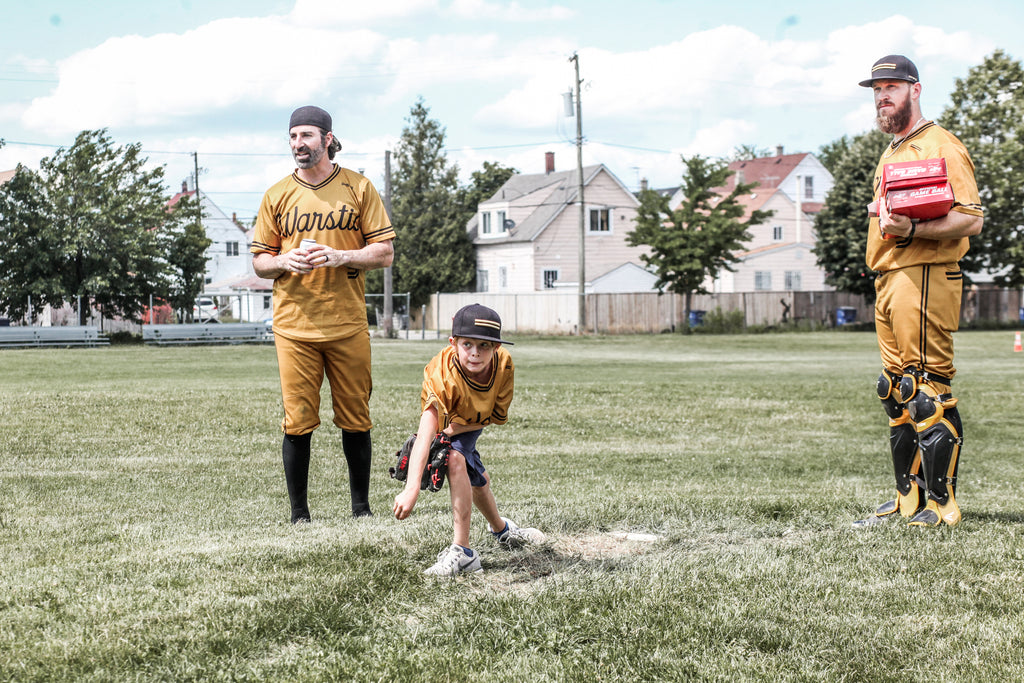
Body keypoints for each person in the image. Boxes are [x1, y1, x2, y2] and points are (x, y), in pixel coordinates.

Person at [853, 56, 984, 528]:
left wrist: (911, 227)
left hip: (925, 272)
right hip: (889, 277)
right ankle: (907, 498)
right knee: (896, 392)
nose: (882, 96)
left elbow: (971, 216)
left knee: (926, 391)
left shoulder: (942, 145)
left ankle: (940, 505)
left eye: (892, 86)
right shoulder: (892, 150)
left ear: (916, 89)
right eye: (876, 89)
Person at [252, 105, 395, 523]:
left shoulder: (358, 187)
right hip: (294, 326)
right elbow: (260, 261)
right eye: (293, 136)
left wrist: (340, 255)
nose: (299, 144)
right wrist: (284, 262)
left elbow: (384, 252)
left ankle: (361, 510)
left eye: (308, 136)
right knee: (297, 420)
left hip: (347, 323)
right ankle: (299, 515)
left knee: (356, 416)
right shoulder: (277, 194)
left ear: (328, 140)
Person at [392, 304, 544, 576]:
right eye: (467, 344)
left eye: (484, 345)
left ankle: (464, 552)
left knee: (455, 459)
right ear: (453, 343)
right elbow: (426, 432)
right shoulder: (442, 375)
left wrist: (454, 433)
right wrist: (412, 487)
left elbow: (493, 416)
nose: (475, 353)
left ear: (496, 348)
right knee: (465, 468)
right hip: (445, 418)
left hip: (472, 420)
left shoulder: (503, 364)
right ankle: (501, 530)